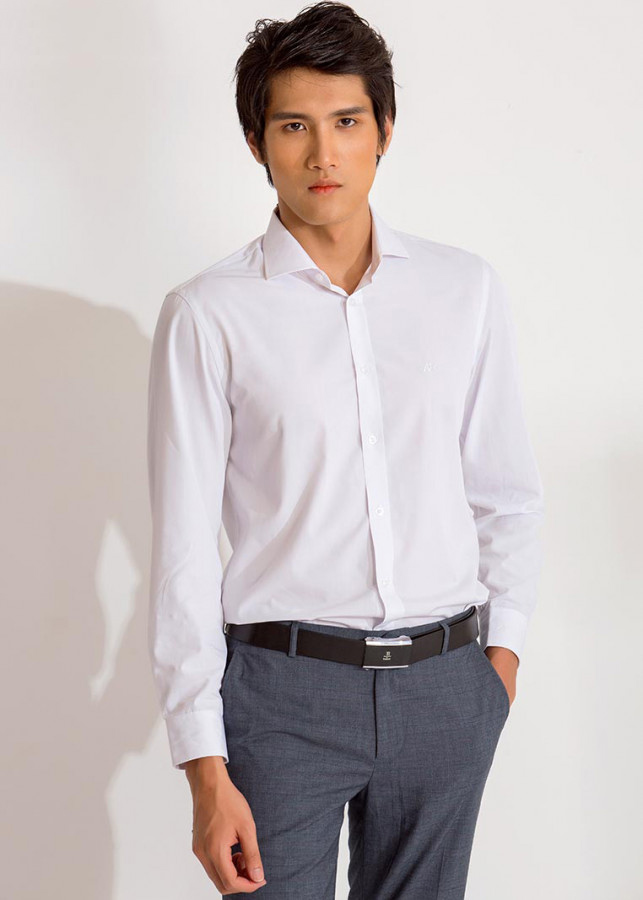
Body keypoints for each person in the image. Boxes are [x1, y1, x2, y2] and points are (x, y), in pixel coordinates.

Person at [146, 2, 545, 896]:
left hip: (448, 687)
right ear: (256, 142)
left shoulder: (462, 290)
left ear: (384, 130)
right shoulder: (208, 313)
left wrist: (499, 666)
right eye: (294, 126)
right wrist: (203, 766)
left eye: (346, 122)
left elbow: (506, 492)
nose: (322, 154)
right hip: (282, 695)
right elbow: (181, 552)